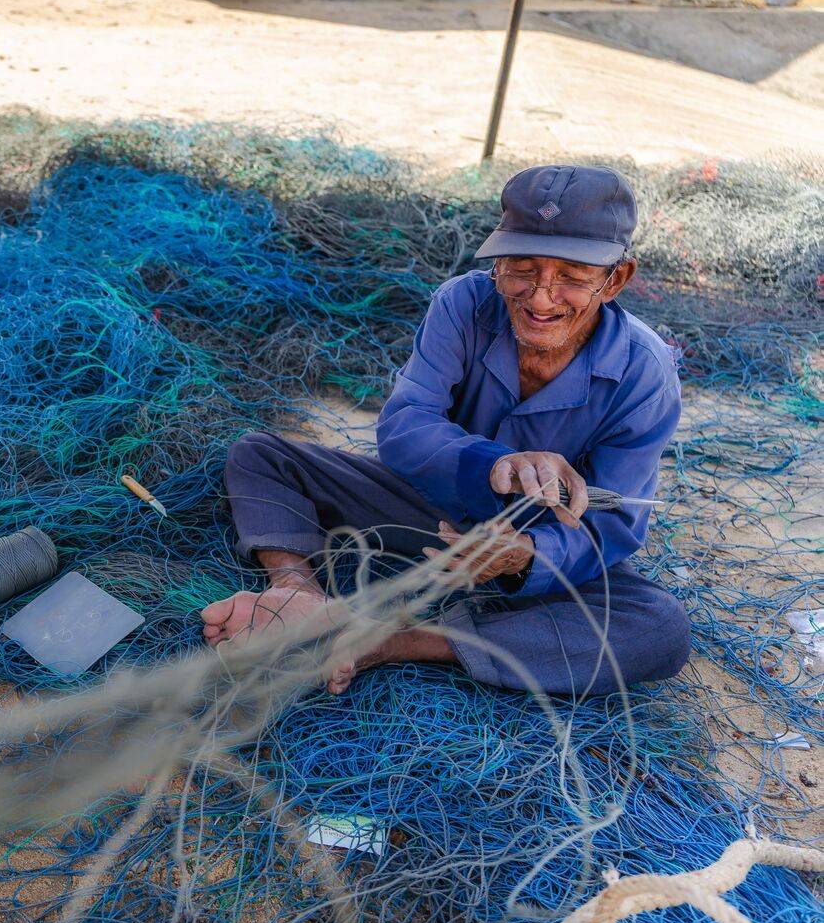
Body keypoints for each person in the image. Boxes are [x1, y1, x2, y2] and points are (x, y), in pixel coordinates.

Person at [203, 165, 691, 698]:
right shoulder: (463, 303)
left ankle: (390, 642)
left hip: (535, 547)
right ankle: (298, 595)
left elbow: (611, 527)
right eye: (521, 269)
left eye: (572, 277)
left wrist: (526, 554)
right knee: (260, 456)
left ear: (615, 279)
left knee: (658, 627)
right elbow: (405, 425)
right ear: (497, 264)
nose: (540, 298)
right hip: (434, 513)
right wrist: (493, 464)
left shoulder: (645, 372)